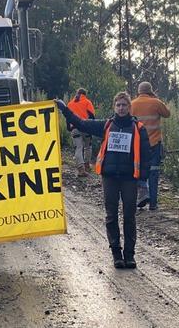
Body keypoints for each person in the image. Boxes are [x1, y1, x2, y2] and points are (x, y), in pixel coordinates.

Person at [55, 92, 150, 269]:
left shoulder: (139, 128)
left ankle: (129, 255)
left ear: (129, 107)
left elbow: (146, 155)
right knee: (111, 215)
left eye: (124, 105)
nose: (121, 108)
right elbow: (81, 123)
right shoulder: (106, 125)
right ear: (114, 107)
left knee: (130, 217)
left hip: (130, 179)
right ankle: (116, 254)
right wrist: (64, 109)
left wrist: (142, 180)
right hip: (110, 178)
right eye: (118, 105)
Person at [131, 82, 170, 211]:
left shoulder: (132, 104)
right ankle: (153, 204)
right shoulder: (156, 102)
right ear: (150, 91)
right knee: (153, 173)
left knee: (138, 171)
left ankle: (140, 197)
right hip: (154, 144)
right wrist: (156, 98)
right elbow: (167, 113)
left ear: (139, 91)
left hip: (138, 145)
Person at [66, 88, 96, 177]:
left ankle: (80, 169)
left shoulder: (70, 104)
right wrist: (92, 127)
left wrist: (69, 128)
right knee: (88, 147)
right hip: (86, 127)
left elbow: (67, 117)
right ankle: (87, 165)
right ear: (84, 94)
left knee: (78, 148)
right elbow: (92, 116)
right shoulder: (87, 102)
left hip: (75, 128)